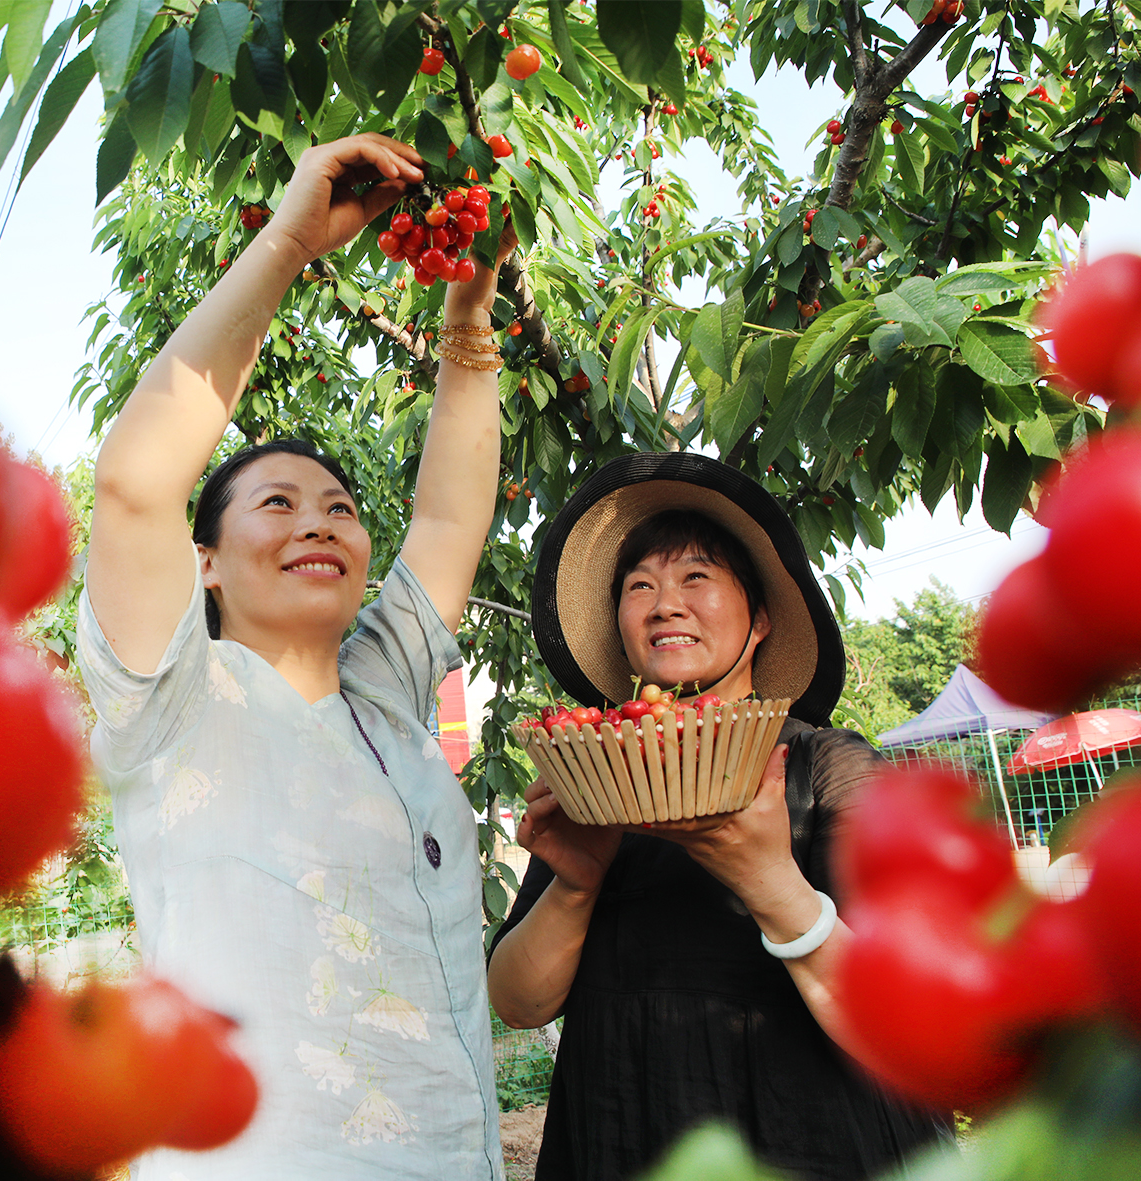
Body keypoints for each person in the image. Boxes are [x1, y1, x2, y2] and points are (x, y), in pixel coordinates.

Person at [77, 134, 511, 1179]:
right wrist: (286, 243)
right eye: (275, 504)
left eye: (339, 509)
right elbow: (136, 484)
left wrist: (467, 323)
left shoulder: (385, 691)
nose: (316, 522)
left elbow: (448, 519)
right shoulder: (172, 696)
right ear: (206, 564)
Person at [488, 452, 950, 1180]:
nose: (665, 602)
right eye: (640, 585)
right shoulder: (602, 779)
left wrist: (769, 880)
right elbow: (517, 1002)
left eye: (695, 577)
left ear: (761, 618)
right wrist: (575, 883)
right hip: (622, 1140)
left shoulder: (828, 770)